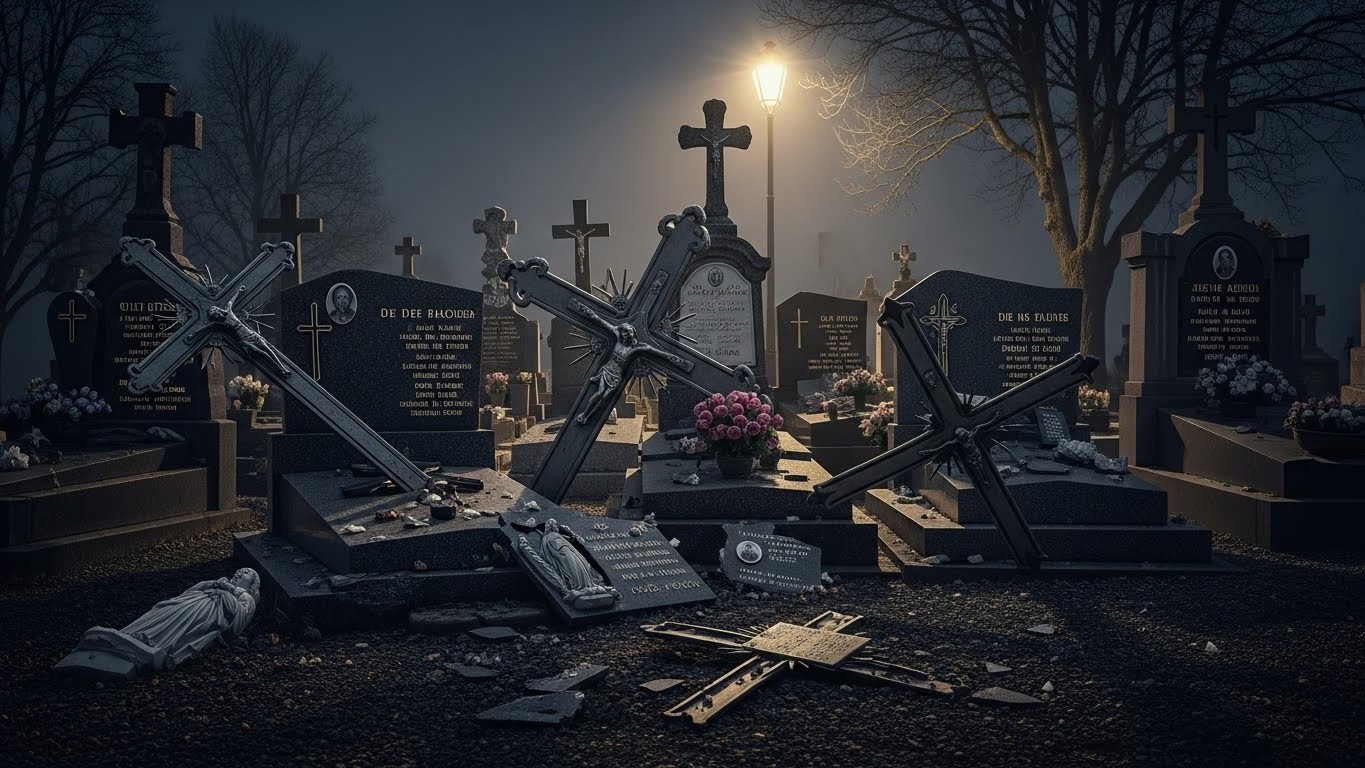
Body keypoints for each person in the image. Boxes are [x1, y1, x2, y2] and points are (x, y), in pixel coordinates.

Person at [54, 568, 260, 679]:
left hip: (207, 612)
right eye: (239, 572)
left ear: (252, 585)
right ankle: (130, 635)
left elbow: (235, 624)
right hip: (188, 603)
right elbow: (189, 592)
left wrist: (231, 594)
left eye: (246, 574)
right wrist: (211, 585)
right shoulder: (218, 582)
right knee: (162, 611)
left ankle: (154, 647)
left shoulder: (246, 598)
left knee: (180, 628)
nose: (240, 574)